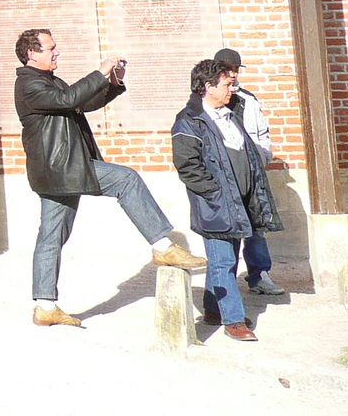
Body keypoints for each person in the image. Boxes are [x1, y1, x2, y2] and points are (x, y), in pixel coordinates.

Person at [14, 28, 205, 327]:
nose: (57, 52)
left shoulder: (47, 82)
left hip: (60, 170)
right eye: (50, 48)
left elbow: (80, 103)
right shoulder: (28, 85)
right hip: (63, 167)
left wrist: (113, 81)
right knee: (126, 179)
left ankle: (45, 306)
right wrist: (99, 72)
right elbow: (68, 98)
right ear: (32, 53)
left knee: (51, 236)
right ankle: (163, 247)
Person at [172, 57, 282, 341]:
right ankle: (234, 321)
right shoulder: (189, 120)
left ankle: (213, 309)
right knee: (222, 261)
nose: (232, 89)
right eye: (227, 84)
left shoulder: (231, 114)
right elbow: (187, 166)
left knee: (226, 258)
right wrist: (214, 193)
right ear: (208, 87)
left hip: (239, 200)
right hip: (217, 203)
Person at [214, 48, 286, 296]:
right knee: (228, 228)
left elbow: (262, 135)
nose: (232, 75)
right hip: (225, 174)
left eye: (235, 70)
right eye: (227, 70)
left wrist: (261, 156)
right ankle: (227, 280)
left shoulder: (249, 99)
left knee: (256, 226)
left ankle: (258, 275)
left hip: (252, 172)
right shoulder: (208, 101)